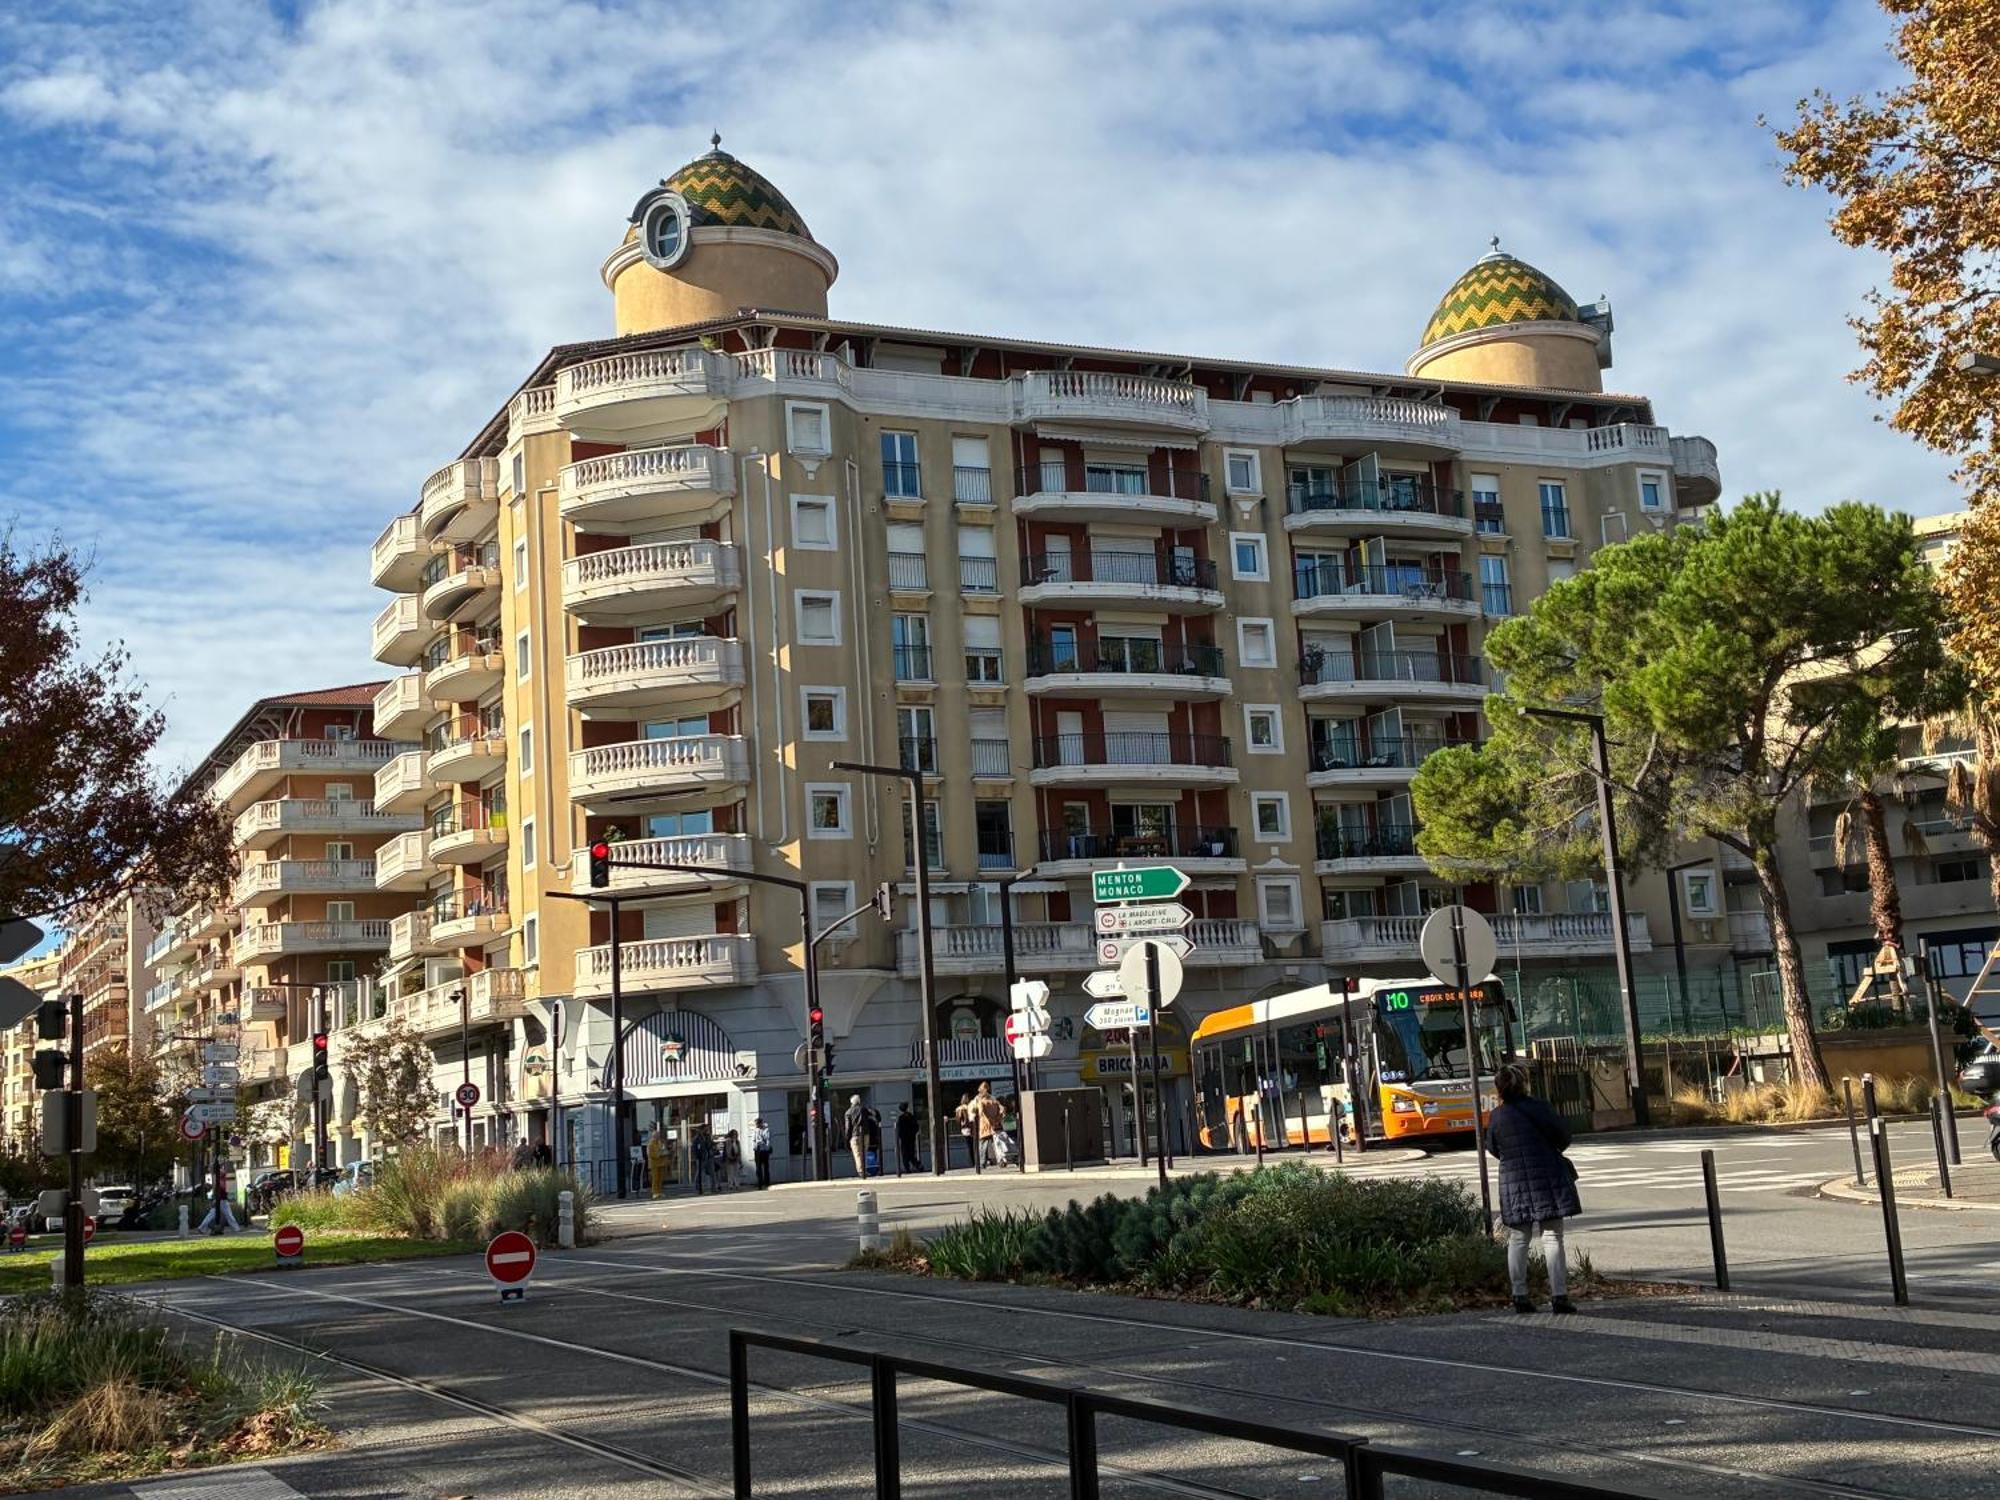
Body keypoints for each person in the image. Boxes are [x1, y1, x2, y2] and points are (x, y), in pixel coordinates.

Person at [1484, 1063, 1581, 1314]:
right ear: (1524, 1083)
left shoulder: (1497, 1116)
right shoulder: (1541, 1108)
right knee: (1552, 1237)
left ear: (1499, 1088)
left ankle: (1519, 1296)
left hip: (1513, 1182)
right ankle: (1559, 1296)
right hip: (1547, 1177)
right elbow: (1563, 1137)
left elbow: (1493, 1147)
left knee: (1518, 1238)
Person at [973, 1081, 1006, 1166]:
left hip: (985, 1124)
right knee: (996, 1143)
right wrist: (999, 1117)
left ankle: (983, 1162)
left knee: (985, 1144)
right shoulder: (992, 1098)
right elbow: (1001, 1108)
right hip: (992, 1124)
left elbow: (978, 1112)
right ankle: (1000, 1160)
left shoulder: (979, 1099)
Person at [843, 1095, 869, 1178]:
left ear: (851, 1102)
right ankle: (864, 1170)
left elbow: (848, 1127)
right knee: (864, 1153)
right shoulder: (864, 1109)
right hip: (865, 1134)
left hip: (855, 1135)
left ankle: (861, 1171)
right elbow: (874, 1113)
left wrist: (847, 1138)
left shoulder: (848, 1112)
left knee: (857, 1154)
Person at [894, 1103, 919, 1175]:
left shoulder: (901, 1118)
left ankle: (907, 1169)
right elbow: (916, 1126)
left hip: (904, 1139)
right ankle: (918, 1166)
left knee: (905, 1154)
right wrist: (913, 1133)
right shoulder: (911, 1116)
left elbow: (899, 1130)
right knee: (911, 1154)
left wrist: (900, 1136)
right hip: (911, 1138)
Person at [954, 1092, 976, 1170]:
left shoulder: (959, 1108)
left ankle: (973, 1162)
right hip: (972, 1128)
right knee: (974, 1145)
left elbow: (957, 1120)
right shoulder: (970, 1107)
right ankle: (976, 1162)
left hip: (964, 1129)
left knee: (969, 1146)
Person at [691, 1124, 715, 1195]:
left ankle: (713, 1188)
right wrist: (697, 1156)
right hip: (701, 1158)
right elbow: (694, 1148)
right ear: (701, 1130)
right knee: (699, 1173)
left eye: (707, 1129)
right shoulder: (697, 1138)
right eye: (705, 1129)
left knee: (712, 1173)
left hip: (709, 1157)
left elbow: (710, 1145)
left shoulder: (708, 1137)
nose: (707, 1130)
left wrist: (712, 1144)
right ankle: (698, 1188)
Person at [751, 1117, 773, 1189]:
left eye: (757, 1124)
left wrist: (766, 1147)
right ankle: (759, 1183)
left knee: (766, 1167)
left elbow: (768, 1139)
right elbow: (753, 1139)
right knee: (758, 1168)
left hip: (764, 1150)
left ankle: (767, 1182)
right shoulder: (755, 1130)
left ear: (760, 1123)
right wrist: (754, 1146)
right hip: (758, 1150)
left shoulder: (766, 1129)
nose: (756, 1125)